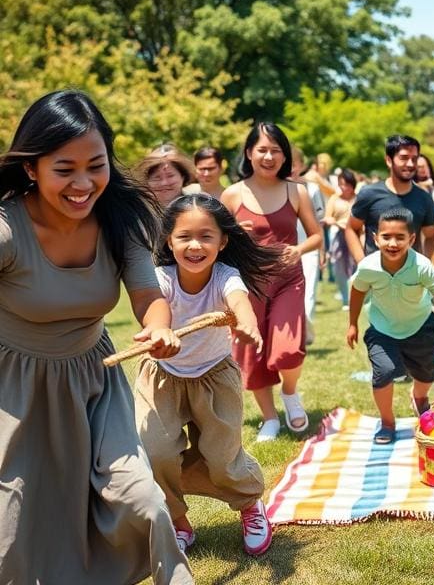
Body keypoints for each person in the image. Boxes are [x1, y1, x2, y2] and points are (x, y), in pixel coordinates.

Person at [0, 90, 192, 584]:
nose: (83, 183)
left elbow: (147, 293)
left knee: (144, 502)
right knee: (10, 530)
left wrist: (159, 326)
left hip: (93, 383)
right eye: (64, 169)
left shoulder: (120, 220)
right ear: (31, 168)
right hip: (14, 390)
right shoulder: (5, 228)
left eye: (96, 165)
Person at [135, 195, 281, 558]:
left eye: (206, 236)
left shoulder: (226, 276)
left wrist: (247, 325)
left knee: (220, 454)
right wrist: (159, 332)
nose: (195, 245)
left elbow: (239, 303)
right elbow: (156, 310)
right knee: (155, 452)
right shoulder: (161, 278)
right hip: (162, 376)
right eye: (184, 236)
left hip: (214, 377)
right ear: (169, 240)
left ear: (223, 241)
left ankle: (250, 505)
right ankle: (178, 521)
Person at [221, 123, 324, 442]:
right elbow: (220, 242)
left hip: (288, 280)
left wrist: (298, 249)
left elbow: (317, 235)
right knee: (252, 354)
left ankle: (290, 394)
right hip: (247, 285)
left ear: (285, 156)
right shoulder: (232, 194)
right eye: (262, 150)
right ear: (249, 153)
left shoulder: (297, 191)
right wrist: (240, 238)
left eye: (275, 150)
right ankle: (269, 419)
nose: (268, 156)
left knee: (288, 349)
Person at [346, 208, 434, 443]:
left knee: (426, 374)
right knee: (383, 371)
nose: (392, 243)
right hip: (381, 329)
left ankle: (419, 398)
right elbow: (357, 291)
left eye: (400, 237)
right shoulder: (368, 266)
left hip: (420, 327)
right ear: (375, 238)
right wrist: (352, 324)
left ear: (412, 239)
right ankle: (387, 422)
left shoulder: (421, 265)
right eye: (386, 237)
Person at [345, 134, 434, 264]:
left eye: (414, 159)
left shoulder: (424, 198)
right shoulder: (369, 194)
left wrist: (423, 263)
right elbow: (351, 228)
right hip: (375, 278)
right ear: (389, 160)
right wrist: (362, 264)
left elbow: (431, 235)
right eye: (404, 158)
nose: (410, 164)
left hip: (410, 279)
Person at [291, 145, 326, 341]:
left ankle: (304, 333)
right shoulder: (275, 189)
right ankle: (297, 331)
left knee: (308, 293)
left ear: (302, 166)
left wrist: (322, 250)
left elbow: (319, 223)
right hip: (287, 250)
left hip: (309, 249)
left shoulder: (312, 189)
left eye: (294, 165)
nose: (290, 169)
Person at [324, 168, 358, 308]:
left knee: (357, 267)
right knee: (339, 267)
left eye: (346, 184)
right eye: (341, 184)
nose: (343, 188)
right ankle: (345, 299)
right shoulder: (334, 199)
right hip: (339, 236)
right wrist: (331, 221)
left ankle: (357, 296)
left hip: (357, 236)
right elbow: (327, 216)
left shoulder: (359, 198)